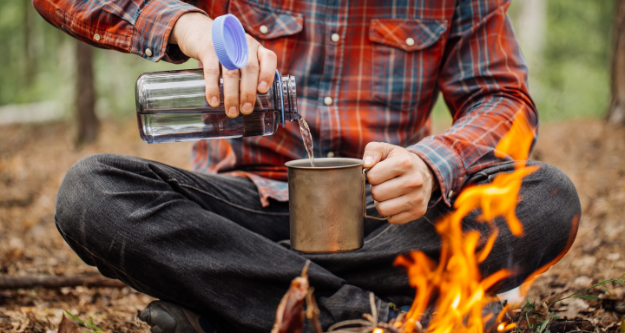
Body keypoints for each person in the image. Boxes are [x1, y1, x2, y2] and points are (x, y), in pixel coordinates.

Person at [33, 0, 581, 332]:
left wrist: (431, 164)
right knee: (91, 194)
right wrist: (188, 26)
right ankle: (369, 318)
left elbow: (502, 99)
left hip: (384, 221)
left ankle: (233, 302)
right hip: (243, 212)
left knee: (549, 199)